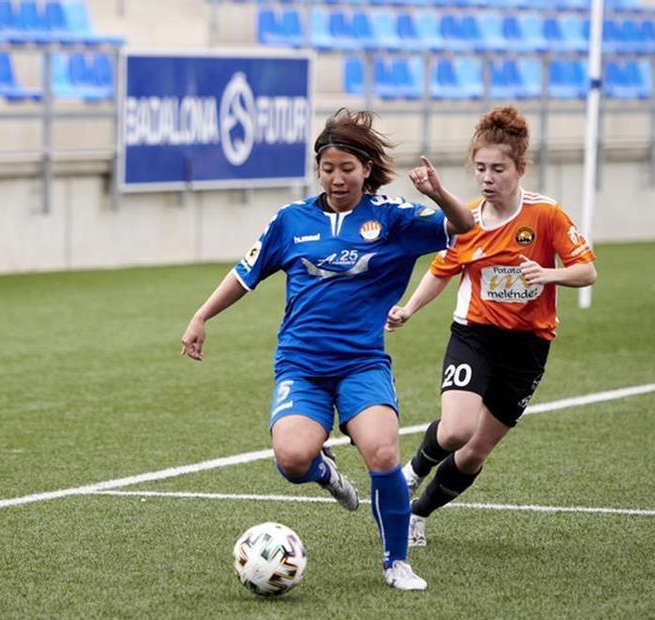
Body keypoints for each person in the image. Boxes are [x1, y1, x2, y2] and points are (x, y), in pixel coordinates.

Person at [181, 109, 475, 591]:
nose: (337, 179)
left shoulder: (394, 219)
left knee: (383, 454)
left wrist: (439, 194)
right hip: (302, 364)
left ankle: (395, 562)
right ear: (318, 169)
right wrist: (201, 316)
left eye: (347, 168)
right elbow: (245, 274)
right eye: (328, 168)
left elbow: (463, 228)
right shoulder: (290, 221)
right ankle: (326, 471)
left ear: (366, 169)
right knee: (292, 459)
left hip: (362, 363)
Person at [385, 106, 597, 547]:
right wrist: (409, 308)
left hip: (529, 346)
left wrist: (548, 274)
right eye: (480, 168)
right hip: (475, 335)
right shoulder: (469, 222)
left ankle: (417, 514)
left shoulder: (546, 215)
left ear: (520, 168)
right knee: (457, 428)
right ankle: (410, 474)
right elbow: (442, 271)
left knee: (475, 451)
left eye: (498, 168)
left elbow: (587, 271)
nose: (487, 177)